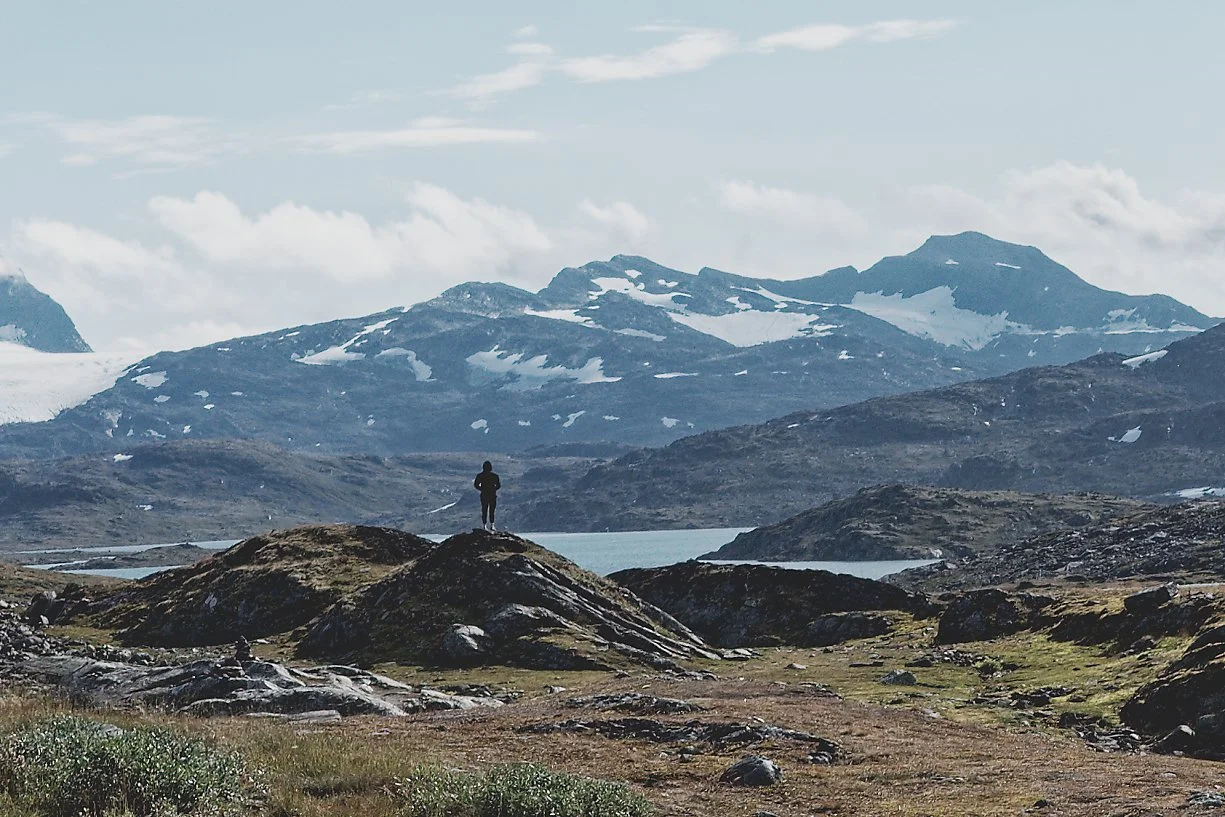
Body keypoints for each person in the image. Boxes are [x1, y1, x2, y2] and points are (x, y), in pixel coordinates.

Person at [474, 460, 501, 531]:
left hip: (484, 495)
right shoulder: (495, 476)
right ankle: (492, 525)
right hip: (492, 495)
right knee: (492, 510)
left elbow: (476, 485)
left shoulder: (480, 476)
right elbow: (498, 485)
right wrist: (494, 489)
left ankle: (484, 525)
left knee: (484, 510)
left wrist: (481, 489)